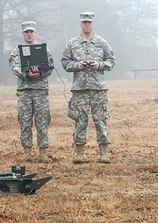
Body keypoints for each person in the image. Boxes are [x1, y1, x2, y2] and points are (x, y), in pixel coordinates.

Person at [61, 12, 116, 164]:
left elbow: (112, 61)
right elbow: (64, 62)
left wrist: (100, 65)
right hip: (80, 89)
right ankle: (80, 153)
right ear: (80, 24)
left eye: (89, 22)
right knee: (80, 120)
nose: (86, 24)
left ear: (93, 24)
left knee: (101, 120)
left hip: (98, 89)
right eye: (84, 22)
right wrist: (77, 65)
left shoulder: (102, 42)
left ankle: (103, 153)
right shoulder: (72, 43)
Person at [9, 21, 53, 163]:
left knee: (42, 120)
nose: (29, 34)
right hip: (25, 90)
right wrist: (27, 73)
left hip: (40, 90)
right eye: (26, 32)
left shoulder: (44, 50)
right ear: (22, 34)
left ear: (35, 33)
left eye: (31, 32)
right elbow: (14, 66)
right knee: (25, 120)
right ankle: (27, 152)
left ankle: (43, 152)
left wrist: (40, 73)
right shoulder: (17, 51)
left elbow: (50, 67)